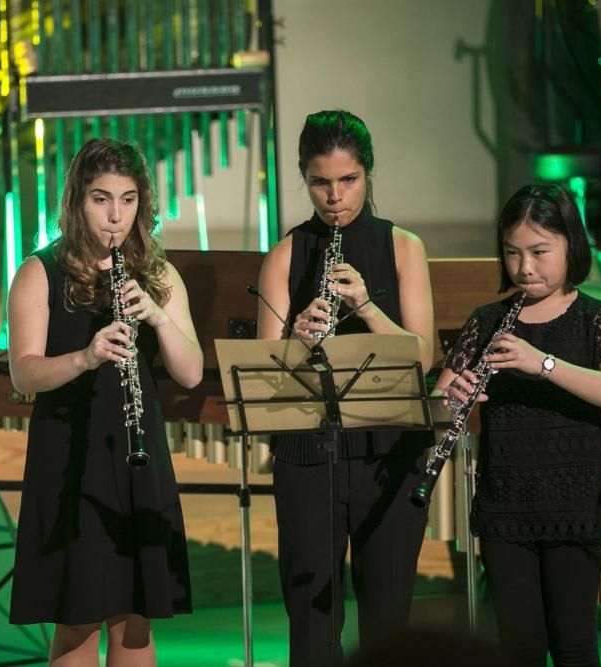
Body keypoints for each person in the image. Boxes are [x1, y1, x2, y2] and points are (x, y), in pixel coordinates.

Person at [7, 138, 202, 666]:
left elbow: (190, 371)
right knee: (77, 618)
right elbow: (23, 372)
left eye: (128, 199)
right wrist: (86, 357)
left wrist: (158, 318)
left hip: (138, 456)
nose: (115, 216)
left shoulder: (157, 274)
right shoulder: (39, 272)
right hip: (71, 456)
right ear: (76, 202)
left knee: (135, 619)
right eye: (100, 199)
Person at [256, 109, 435, 665]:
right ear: (304, 178)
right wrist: (298, 337)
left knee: (387, 615)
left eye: (348, 180)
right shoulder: (285, 255)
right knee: (312, 616)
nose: (334, 197)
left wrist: (364, 306)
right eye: (320, 182)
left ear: (368, 173)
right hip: (309, 452)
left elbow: (423, 357)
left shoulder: (403, 246)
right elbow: (266, 373)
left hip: (389, 450)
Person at [435, 184, 601, 666]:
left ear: (571, 245)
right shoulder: (487, 321)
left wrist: (542, 362)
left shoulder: (595, 318)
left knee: (574, 647)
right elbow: (438, 402)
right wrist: (450, 398)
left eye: (540, 252)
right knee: (518, 649)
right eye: (513, 253)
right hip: (506, 504)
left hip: (573, 500)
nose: (525, 268)